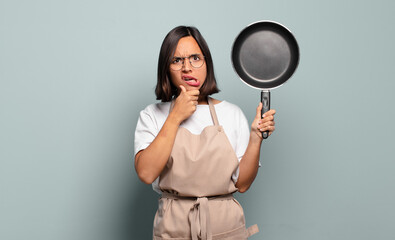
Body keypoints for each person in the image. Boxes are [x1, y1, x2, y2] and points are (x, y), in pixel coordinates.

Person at [134, 26, 276, 240]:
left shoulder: (231, 113)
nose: (187, 68)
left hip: (224, 226)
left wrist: (256, 137)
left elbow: (243, 184)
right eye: (176, 60)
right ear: (166, 69)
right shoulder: (152, 115)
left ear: (206, 63)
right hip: (174, 228)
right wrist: (175, 117)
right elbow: (146, 173)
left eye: (195, 58)